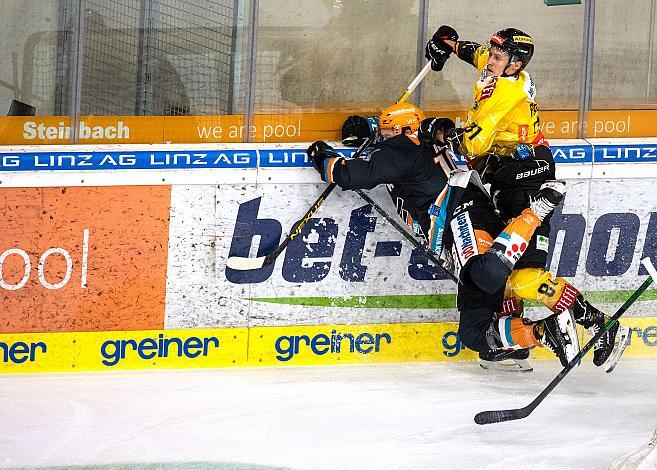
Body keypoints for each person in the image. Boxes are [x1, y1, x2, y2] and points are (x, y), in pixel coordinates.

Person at [419, 25, 629, 372]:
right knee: (507, 269)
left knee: (521, 274)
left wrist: (438, 133)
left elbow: (472, 145)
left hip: (526, 177)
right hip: (510, 174)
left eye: (499, 56)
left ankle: (599, 323)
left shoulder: (504, 91)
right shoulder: (499, 64)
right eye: (494, 52)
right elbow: (477, 53)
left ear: (515, 64)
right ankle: (516, 340)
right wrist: (450, 45)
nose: (491, 59)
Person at [309, 102, 579, 367]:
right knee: (473, 332)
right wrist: (365, 127)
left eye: (388, 132)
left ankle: (535, 212)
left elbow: (347, 174)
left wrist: (321, 155)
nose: (383, 138)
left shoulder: (401, 149)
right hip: (468, 215)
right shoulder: (419, 142)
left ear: (404, 132)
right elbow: (391, 139)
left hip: (463, 216)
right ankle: (544, 332)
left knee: (483, 274)